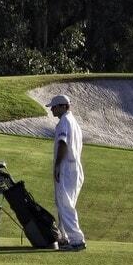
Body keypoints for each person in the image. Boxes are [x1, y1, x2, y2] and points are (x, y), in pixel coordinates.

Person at [48, 94, 87, 251]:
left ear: (63, 106)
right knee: (64, 204)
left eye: (54, 107)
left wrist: (57, 165)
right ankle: (64, 237)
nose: (52, 109)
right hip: (75, 168)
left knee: (65, 205)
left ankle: (77, 240)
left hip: (66, 168)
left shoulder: (65, 122)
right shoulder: (74, 122)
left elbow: (63, 144)